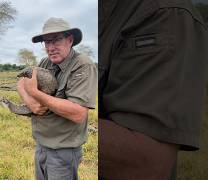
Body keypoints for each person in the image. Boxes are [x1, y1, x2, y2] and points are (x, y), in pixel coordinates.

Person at [99, 0, 208, 179]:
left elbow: (148, 163)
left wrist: (54, 113)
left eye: (55, 38)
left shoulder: (165, 13)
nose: (50, 46)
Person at [17, 17, 98, 180]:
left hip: (63, 151)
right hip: (42, 145)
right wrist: (31, 101)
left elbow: (78, 113)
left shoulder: (83, 65)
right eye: (46, 42)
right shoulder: (45, 62)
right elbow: (21, 82)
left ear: (70, 40)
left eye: (56, 40)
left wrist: (36, 94)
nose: (50, 48)